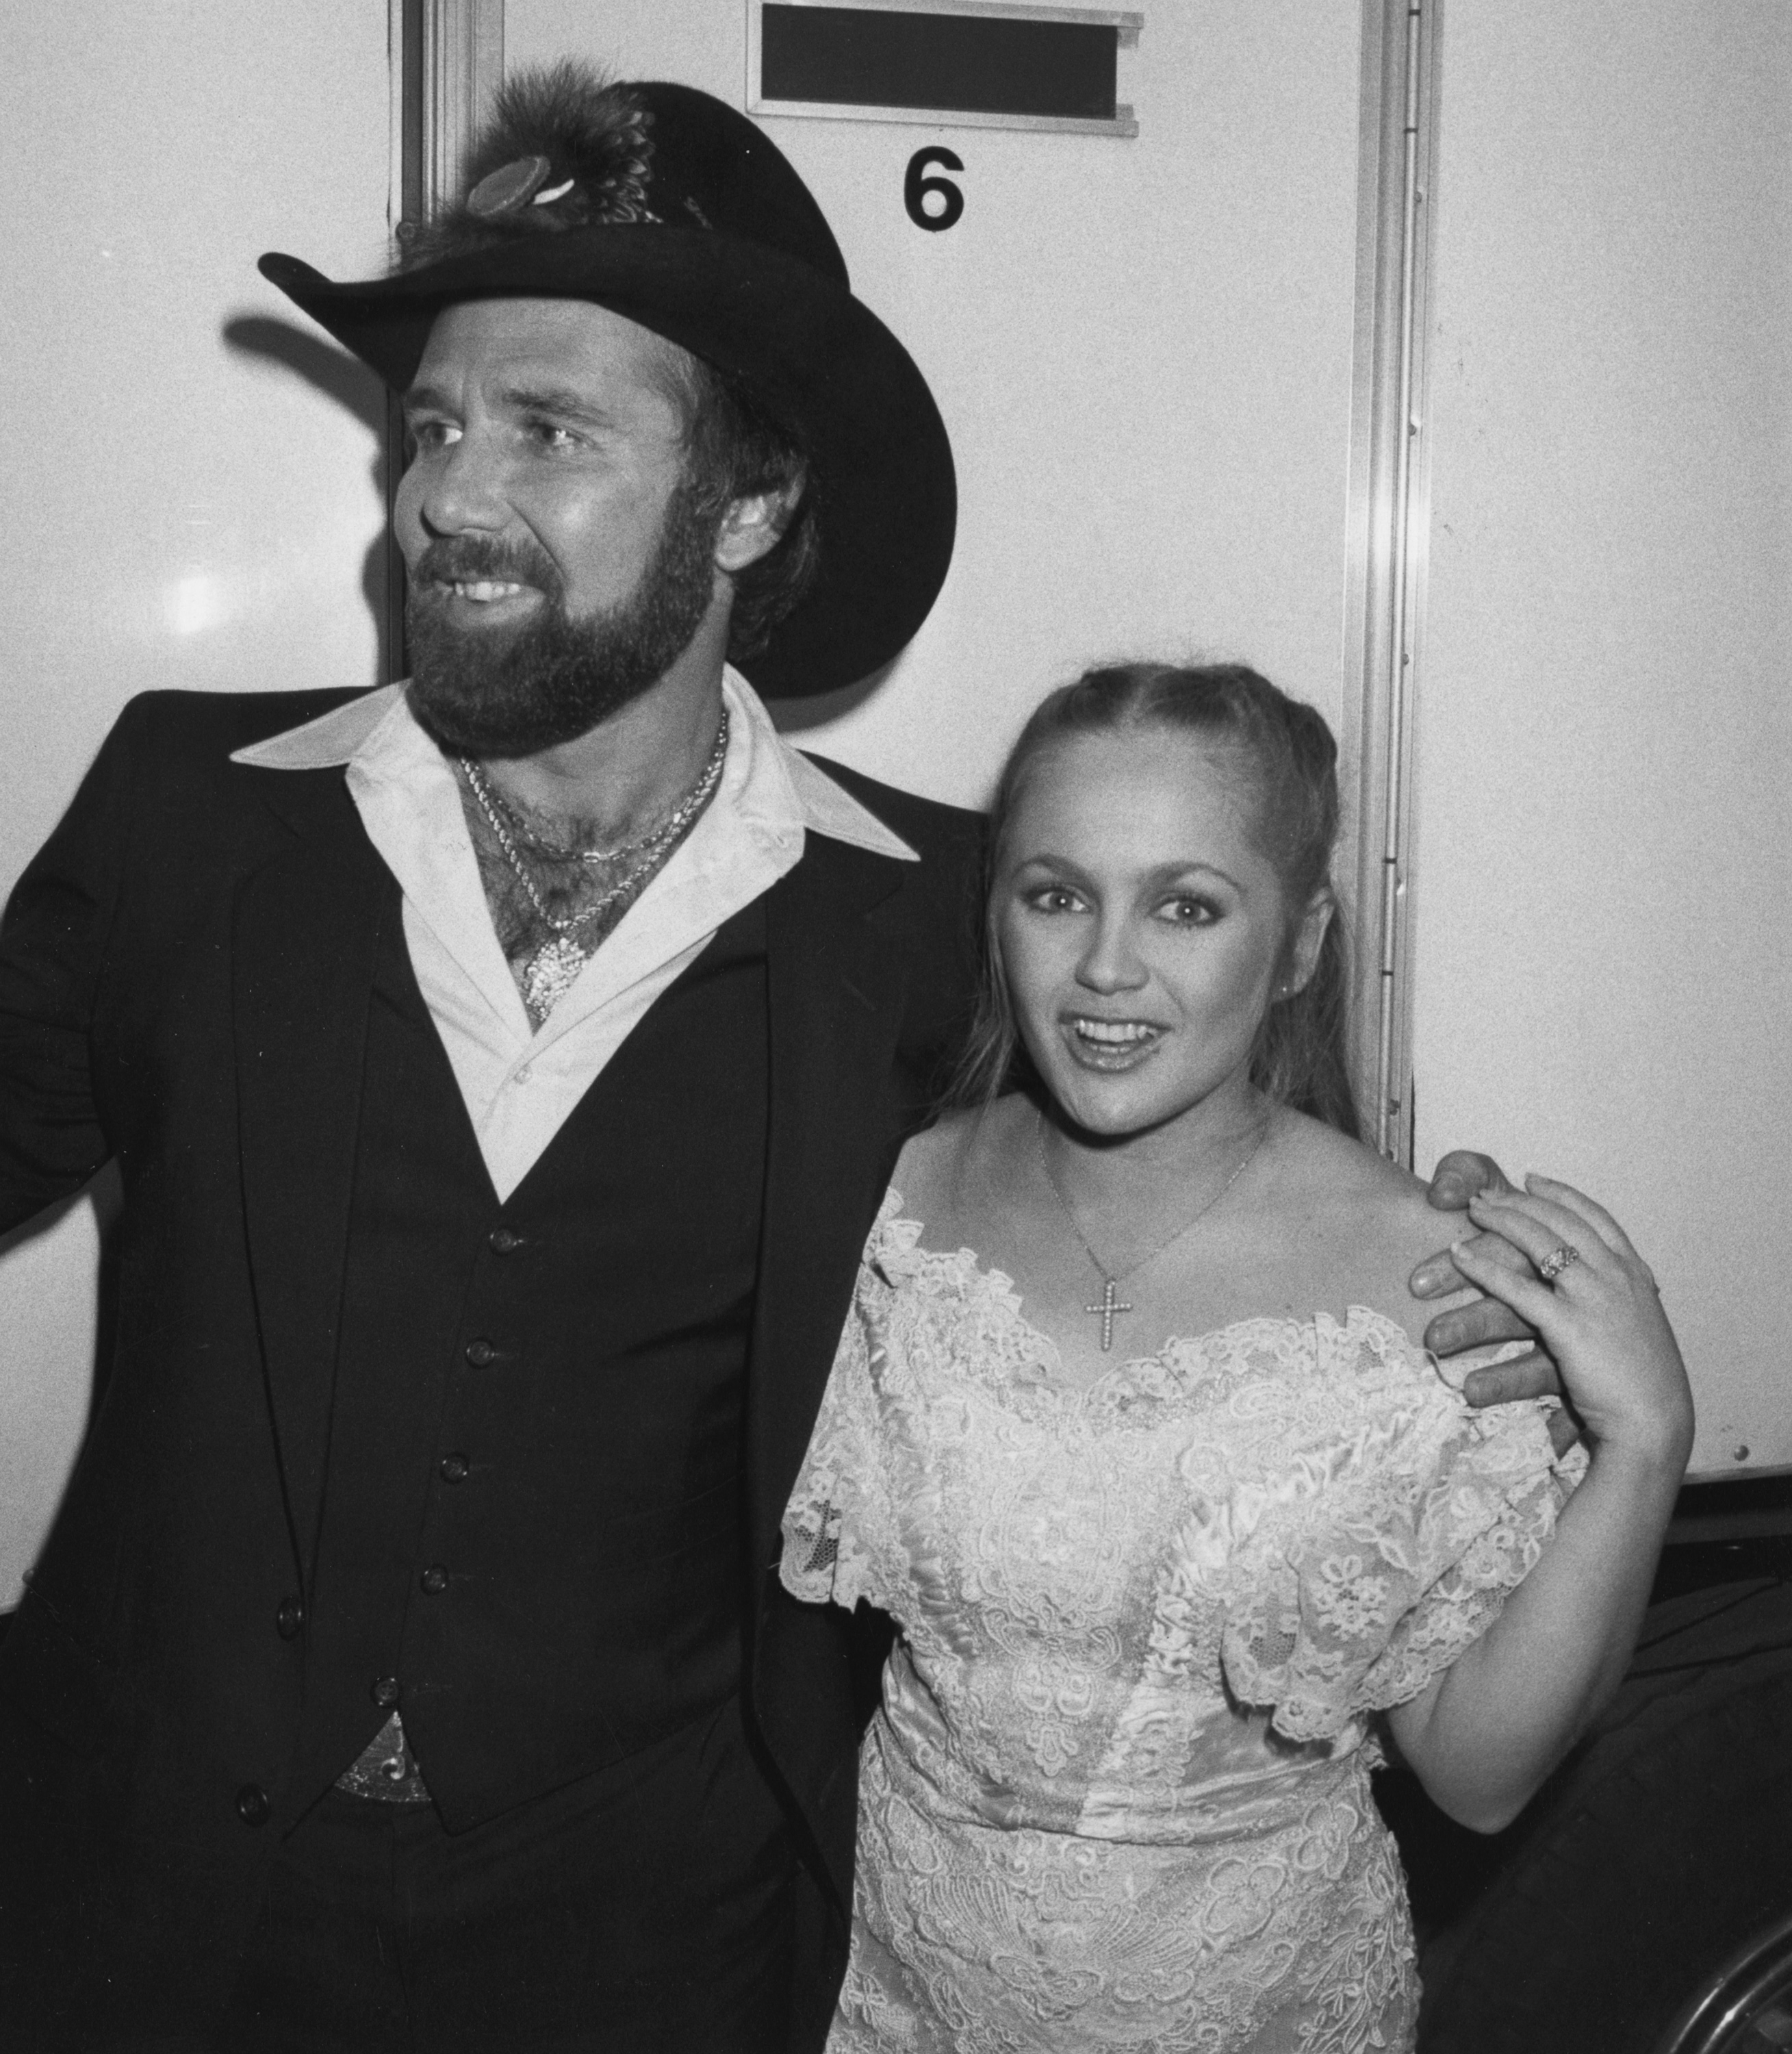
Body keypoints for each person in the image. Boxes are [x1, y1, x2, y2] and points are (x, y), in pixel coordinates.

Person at [780, 662, 1693, 2053]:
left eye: (1186, 906)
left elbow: (1480, 1777)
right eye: (1055, 893)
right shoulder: (881, 1206)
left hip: (1253, 2009)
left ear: (1301, 942)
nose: (1104, 967)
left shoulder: (1422, 1282)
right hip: (895, 1997)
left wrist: (1644, 1443)